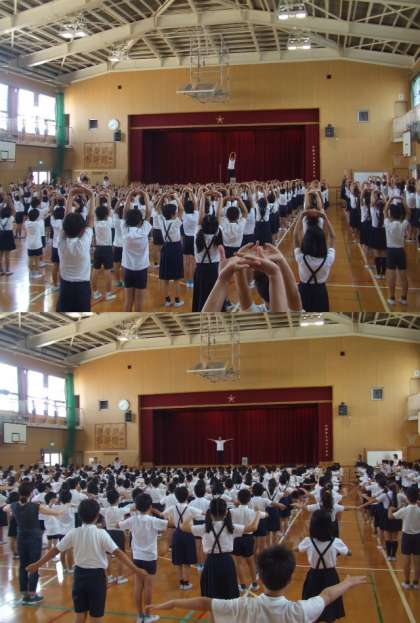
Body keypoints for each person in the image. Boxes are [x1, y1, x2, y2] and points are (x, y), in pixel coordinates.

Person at [147, 544, 366, 623]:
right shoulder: (299, 611)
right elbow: (327, 595)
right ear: (290, 579)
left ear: (259, 574)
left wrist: (172, 603)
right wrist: (347, 583)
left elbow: (204, 603)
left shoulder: (243, 605)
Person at [26, 498, 149, 623]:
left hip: (79, 576)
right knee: (96, 617)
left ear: (79, 515)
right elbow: (118, 553)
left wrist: (37, 565)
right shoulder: (101, 533)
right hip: (97, 577)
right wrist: (136, 569)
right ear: (97, 516)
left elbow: (55, 550)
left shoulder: (74, 532)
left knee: (80, 616)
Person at [181, 497, 260, 599]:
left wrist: (192, 514)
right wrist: (258, 514)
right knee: (228, 592)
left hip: (211, 562)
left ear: (210, 513)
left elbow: (183, 527)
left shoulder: (204, 528)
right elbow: (253, 527)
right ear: (226, 512)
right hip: (227, 562)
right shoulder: (231, 527)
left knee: (212, 594)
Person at [3, 482, 63, 605]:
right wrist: (63, 508)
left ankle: (25, 593)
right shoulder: (35, 506)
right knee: (34, 565)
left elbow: (5, 508)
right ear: (31, 493)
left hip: (21, 537)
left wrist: (14, 507)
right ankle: (32, 594)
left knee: (23, 565)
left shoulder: (14, 505)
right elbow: (55, 513)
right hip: (34, 538)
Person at [119, 493, 168, 623]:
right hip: (150, 557)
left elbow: (120, 525)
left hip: (137, 557)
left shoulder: (133, 519)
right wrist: (158, 512)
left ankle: (140, 615)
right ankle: (148, 615)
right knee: (148, 587)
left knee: (138, 585)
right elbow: (168, 522)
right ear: (150, 506)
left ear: (137, 506)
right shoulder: (153, 520)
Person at [298, 509, 351, 622]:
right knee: (331, 608)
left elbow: (298, 549)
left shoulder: (308, 541)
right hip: (330, 576)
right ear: (329, 526)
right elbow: (348, 553)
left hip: (313, 576)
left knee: (312, 609)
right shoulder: (336, 542)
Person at [389, 486, 420, 589]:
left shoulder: (405, 510)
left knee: (407, 560)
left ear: (407, 497)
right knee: (417, 561)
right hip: (418, 536)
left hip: (407, 536)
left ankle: (406, 582)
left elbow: (391, 517)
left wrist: (390, 509)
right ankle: (416, 583)